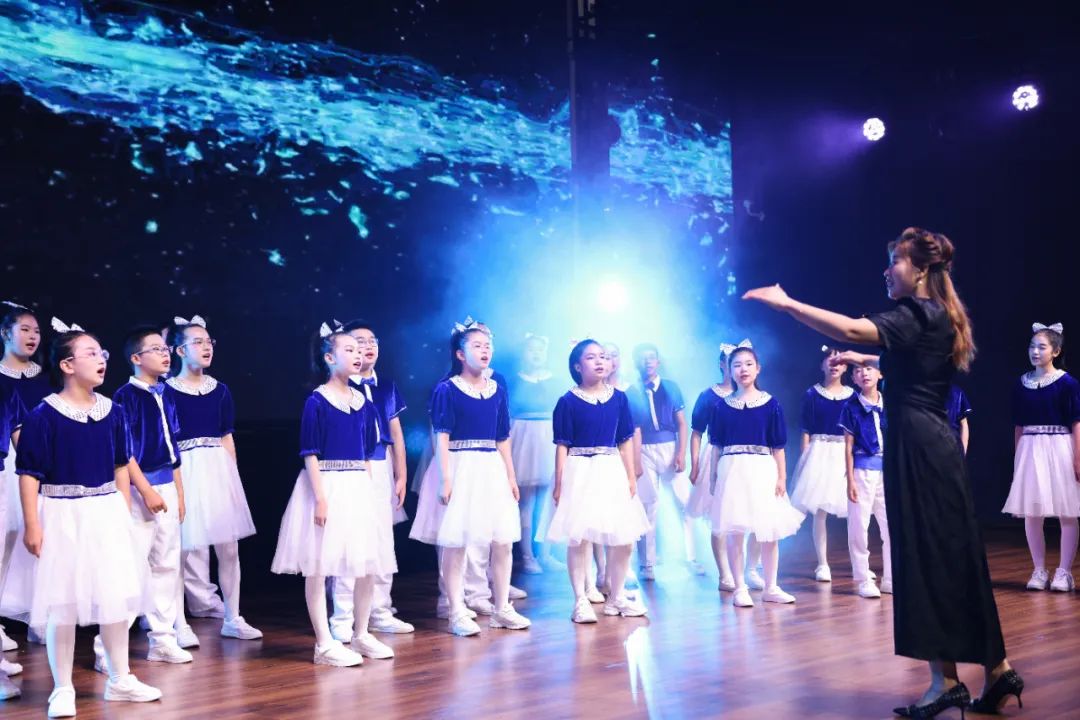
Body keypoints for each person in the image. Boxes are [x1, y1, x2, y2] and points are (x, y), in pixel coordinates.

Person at [744, 227, 1022, 716]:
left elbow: (850, 328)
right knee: (954, 556)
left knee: (923, 558)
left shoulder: (915, 313)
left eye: (895, 260)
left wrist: (787, 304)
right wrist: (870, 358)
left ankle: (944, 683)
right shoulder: (938, 313)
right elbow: (911, 363)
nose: (887, 269)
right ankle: (997, 671)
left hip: (918, 449)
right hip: (934, 446)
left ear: (920, 270)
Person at [270, 324, 396, 665]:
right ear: (329, 358)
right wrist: (321, 498)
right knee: (319, 565)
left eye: (359, 349)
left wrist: (368, 491)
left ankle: (361, 634)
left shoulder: (364, 403)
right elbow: (310, 453)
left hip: (357, 485)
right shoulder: (317, 401)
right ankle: (324, 642)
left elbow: (368, 453)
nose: (358, 354)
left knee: (366, 563)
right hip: (326, 484)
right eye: (349, 349)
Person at [546, 340, 649, 622]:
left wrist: (630, 475)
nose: (600, 361)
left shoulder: (619, 398)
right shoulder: (567, 401)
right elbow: (562, 444)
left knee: (623, 538)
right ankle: (580, 600)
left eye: (603, 356)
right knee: (579, 538)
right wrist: (560, 482)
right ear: (578, 366)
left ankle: (616, 597)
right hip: (580, 469)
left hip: (610, 468)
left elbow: (625, 440)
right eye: (591, 357)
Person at [1001, 322, 1080, 593]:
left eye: (1042, 347)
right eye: (1032, 346)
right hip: (1030, 447)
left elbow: (1077, 422)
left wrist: (1078, 457)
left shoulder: (1068, 384)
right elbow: (1018, 425)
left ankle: (1064, 572)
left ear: (1055, 351)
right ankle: (1039, 569)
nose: (1035, 352)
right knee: (1033, 511)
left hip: (1059, 446)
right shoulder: (1021, 384)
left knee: (1067, 511)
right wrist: (1017, 459)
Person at [789, 347, 853, 583]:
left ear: (845, 367)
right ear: (822, 365)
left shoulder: (852, 396)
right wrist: (805, 458)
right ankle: (822, 563)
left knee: (856, 512)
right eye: (830, 361)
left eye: (839, 362)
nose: (834, 365)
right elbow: (805, 428)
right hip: (819, 451)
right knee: (819, 512)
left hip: (844, 452)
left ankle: (859, 563)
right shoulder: (812, 394)